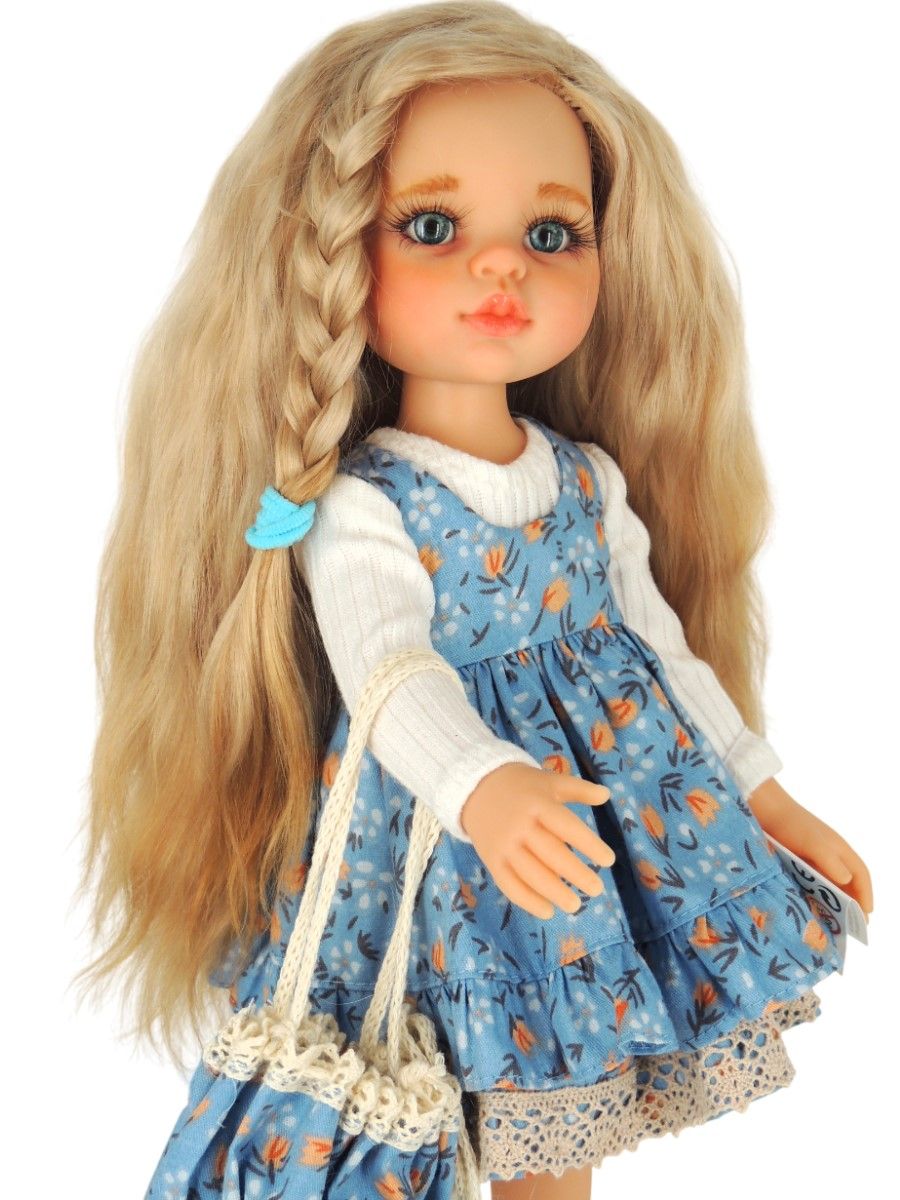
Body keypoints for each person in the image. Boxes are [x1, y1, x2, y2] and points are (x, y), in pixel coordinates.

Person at [74, 3, 873, 1196]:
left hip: (584, 852)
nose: (503, 268)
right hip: (429, 853)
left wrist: (763, 790)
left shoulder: (589, 482)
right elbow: (389, 671)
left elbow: (663, 654)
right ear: (337, 256)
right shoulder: (366, 503)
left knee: (564, 1104)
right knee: (424, 1105)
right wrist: (481, 785)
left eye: (552, 233)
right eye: (433, 227)